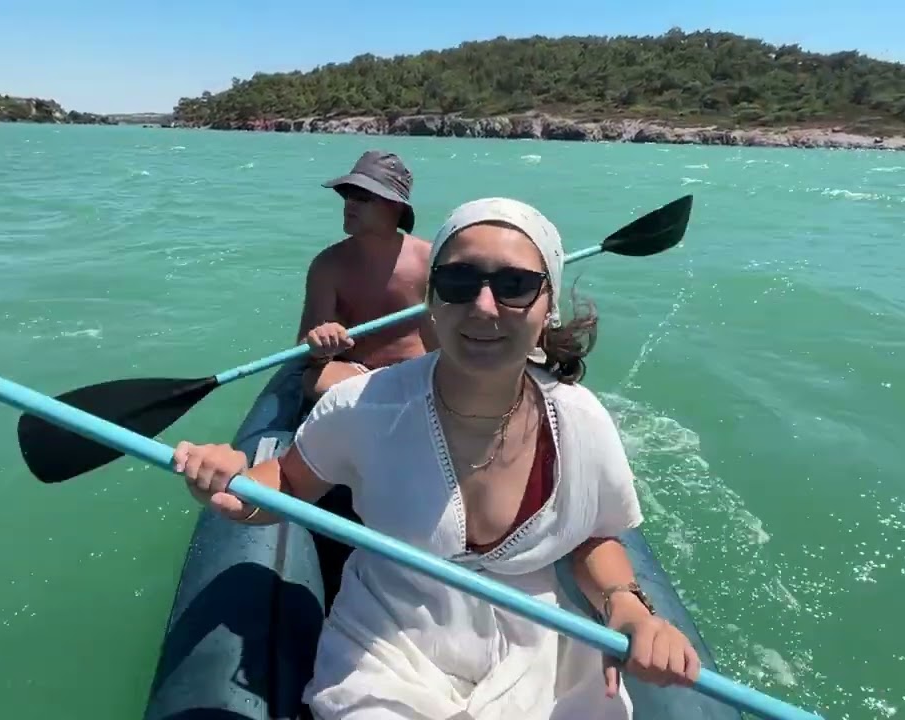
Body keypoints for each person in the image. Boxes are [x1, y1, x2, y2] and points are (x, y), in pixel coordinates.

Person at [173, 198, 700, 719]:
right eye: (458, 282)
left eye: (515, 285)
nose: (484, 306)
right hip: (386, 649)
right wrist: (234, 483)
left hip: (540, 652)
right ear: (431, 299)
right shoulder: (364, 405)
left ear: (548, 306)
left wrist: (625, 604)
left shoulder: (579, 421)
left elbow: (592, 533)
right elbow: (287, 485)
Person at [297, 150, 436, 401]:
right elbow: (305, 349)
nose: (349, 204)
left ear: (394, 207)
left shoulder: (430, 260)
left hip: (417, 370)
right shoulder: (327, 266)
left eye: (362, 197)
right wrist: (320, 341)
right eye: (347, 195)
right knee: (314, 381)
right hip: (355, 372)